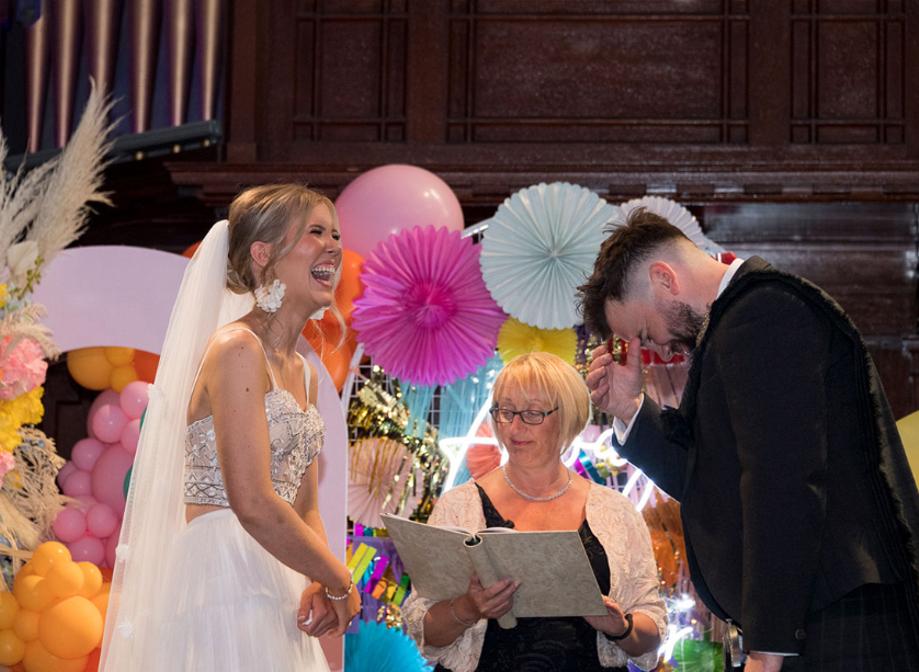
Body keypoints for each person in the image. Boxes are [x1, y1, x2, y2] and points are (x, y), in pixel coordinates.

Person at [579, 208, 919, 671]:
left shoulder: (763, 313)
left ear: (664, 279)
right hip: (815, 614)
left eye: (643, 332)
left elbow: (783, 485)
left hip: (838, 617)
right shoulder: (734, 326)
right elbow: (711, 480)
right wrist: (628, 409)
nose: (657, 348)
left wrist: (768, 646)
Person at [100, 184, 360, 672]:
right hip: (223, 576)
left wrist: (317, 578)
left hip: (278, 577)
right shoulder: (236, 348)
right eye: (315, 233)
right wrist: (339, 580)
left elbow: (304, 504)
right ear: (263, 254)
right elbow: (253, 500)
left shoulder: (305, 371)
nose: (333, 246)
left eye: (336, 235)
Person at [403, 352, 666, 672]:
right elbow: (424, 628)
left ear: (567, 416)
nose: (514, 426)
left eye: (532, 413)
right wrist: (469, 607)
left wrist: (620, 627)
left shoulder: (615, 511)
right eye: (505, 411)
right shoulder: (459, 507)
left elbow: (651, 631)